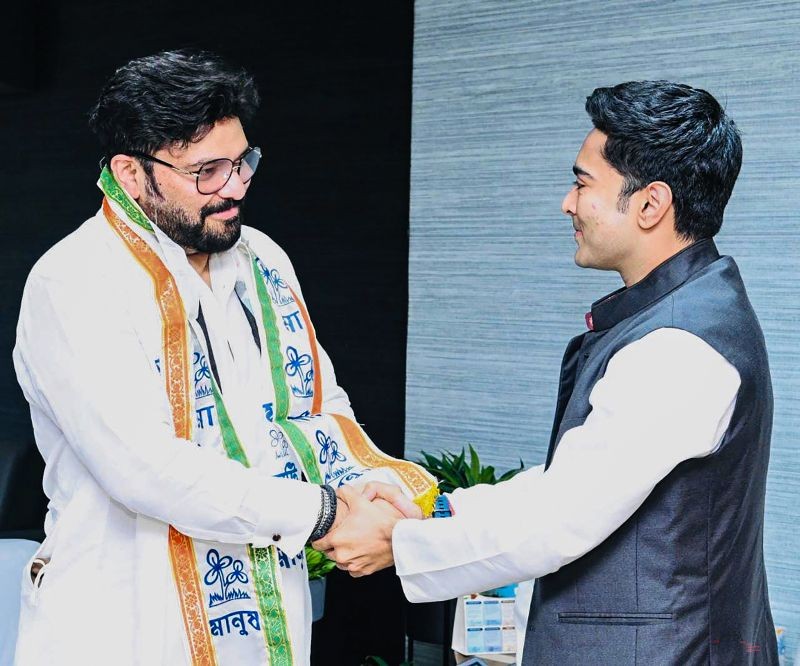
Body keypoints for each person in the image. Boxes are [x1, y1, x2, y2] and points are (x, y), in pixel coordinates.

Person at [317, 80, 779, 665]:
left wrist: (398, 541)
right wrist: (439, 511)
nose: (567, 203)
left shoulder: (680, 346)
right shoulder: (685, 313)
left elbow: (560, 519)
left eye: (583, 183)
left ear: (650, 204)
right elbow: (579, 477)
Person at [12, 49, 434, 666]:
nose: (234, 187)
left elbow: (317, 405)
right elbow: (143, 468)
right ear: (132, 173)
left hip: (262, 597)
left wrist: (372, 494)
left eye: (242, 163)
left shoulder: (262, 259)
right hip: (126, 617)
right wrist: (323, 515)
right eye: (207, 171)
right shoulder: (75, 279)